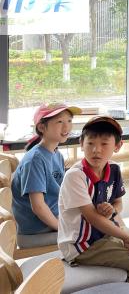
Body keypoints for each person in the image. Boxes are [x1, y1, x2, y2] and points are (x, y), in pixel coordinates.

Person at [57, 116, 129, 293]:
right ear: (81, 143)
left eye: (104, 144)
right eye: (90, 143)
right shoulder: (75, 176)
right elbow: (92, 217)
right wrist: (126, 237)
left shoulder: (113, 169)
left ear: (118, 146)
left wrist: (112, 210)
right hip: (82, 245)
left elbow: (118, 203)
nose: (96, 150)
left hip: (103, 235)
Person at [11, 103, 81, 244]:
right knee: (91, 236)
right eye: (59, 122)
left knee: (99, 221)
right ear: (42, 127)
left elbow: (60, 192)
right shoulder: (35, 160)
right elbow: (38, 207)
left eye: (69, 121)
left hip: (53, 218)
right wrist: (63, 229)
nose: (66, 127)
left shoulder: (56, 154)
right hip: (36, 231)